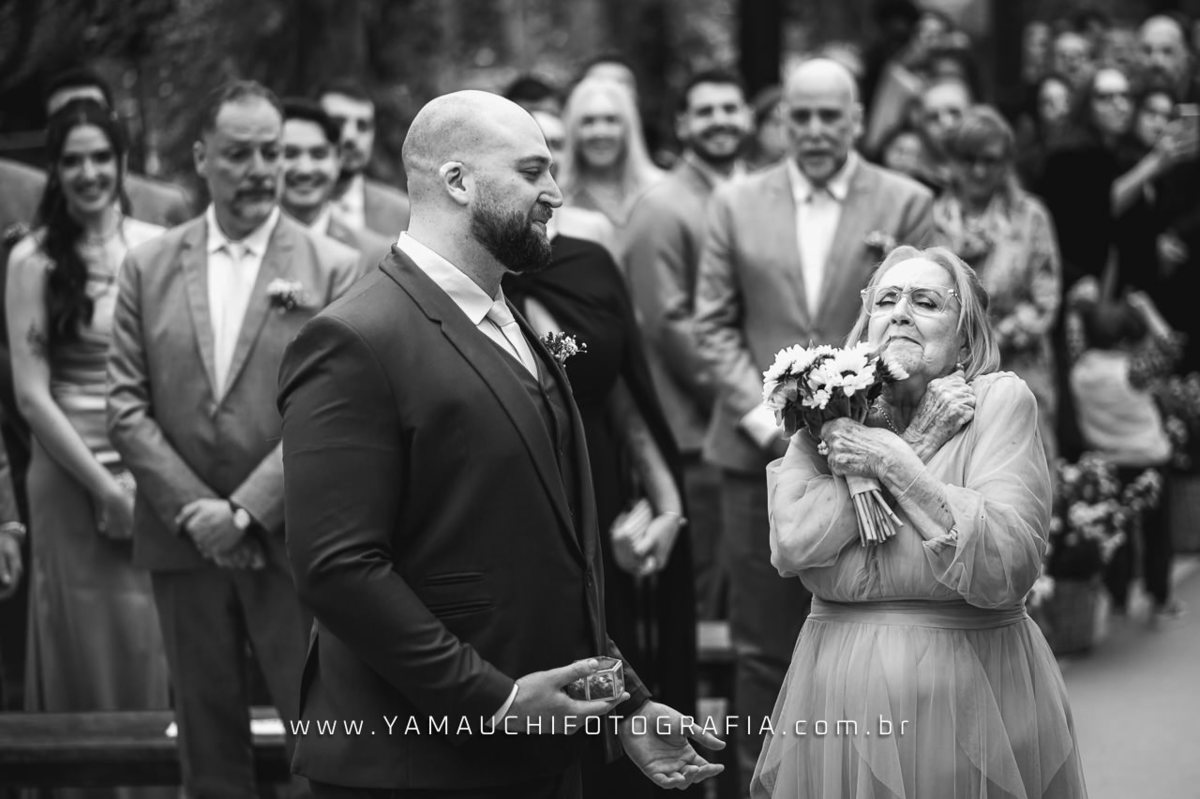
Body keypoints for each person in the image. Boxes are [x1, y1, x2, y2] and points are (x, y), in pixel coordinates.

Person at [278, 89, 723, 799]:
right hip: (417, 767)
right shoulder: (354, 338)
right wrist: (497, 704)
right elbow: (339, 568)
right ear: (458, 182)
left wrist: (624, 702)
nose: (555, 191)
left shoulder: (512, 319)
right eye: (532, 171)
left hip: (540, 761)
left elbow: (544, 557)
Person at [752, 245, 1088, 798]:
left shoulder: (998, 402)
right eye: (886, 299)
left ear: (964, 338)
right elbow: (791, 543)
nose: (901, 312)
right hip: (836, 696)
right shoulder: (828, 410)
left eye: (926, 301)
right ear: (866, 327)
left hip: (971, 703)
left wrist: (887, 461)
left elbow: (1007, 565)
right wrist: (913, 444)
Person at [106, 80, 360, 798]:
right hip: (182, 542)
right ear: (200, 156)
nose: (258, 169)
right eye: (239, 152)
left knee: (319, 739)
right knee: (207, 749)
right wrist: (199, 512)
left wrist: (244, 510)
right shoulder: (148, 264)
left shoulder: (331, 265)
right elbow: (124, 405)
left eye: (270, 152)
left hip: (290, 541)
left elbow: (331, 413)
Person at [693, 57, 934, 784]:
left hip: (877, 464)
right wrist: (778, 426)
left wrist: (862, 432)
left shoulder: (907, 200)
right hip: (756, 461)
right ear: (781, 121)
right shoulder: (734, 203)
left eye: (833, 116)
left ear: (858, 119)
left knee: (876, 640)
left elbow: (920, 334)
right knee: (764, 649)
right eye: (802, 117)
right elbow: (713, 328)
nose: (817, 130)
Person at [4, 99, 171, 798]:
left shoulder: (160, 245)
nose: (88, 172)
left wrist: (145, 478)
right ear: (55, 170)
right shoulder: (32, 257)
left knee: (150, 635)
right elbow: (30, 392)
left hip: (151, 468)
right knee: (77, 636)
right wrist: (104, 489)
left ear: (123, 163)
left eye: (101, 157)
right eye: (72, 159)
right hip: (68, 473)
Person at [504, 202, 696, 799]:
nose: (546, 190)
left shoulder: (589, 266)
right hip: (503, 496)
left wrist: (667, 509)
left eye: (546, 168)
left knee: (606, 648)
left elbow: (628, 396)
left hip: (591, 488)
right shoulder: (464, 276)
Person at [622, 68, 751, 620]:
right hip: (700, 431)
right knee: (707, 596)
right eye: (706, 110)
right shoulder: (662, 208)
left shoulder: (757, 194)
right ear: (682, 124)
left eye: (730, 107)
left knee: (750, 588)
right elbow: (666, 322)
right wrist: (745, 404)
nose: (720, 120)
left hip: (755, 426)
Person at [932, 106, 1062, 465]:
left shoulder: (1029, 216)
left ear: (1005, 162)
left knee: (1020, 467)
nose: (978, 171)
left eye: (989, 161)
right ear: (953, 161)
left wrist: (993, 337)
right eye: (968, 159)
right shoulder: (933, 215)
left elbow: (1045, 297)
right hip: (949, 368)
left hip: (1018, 364)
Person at [1068, 291, 1182, 621]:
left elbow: (1073, 335)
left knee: (1117, 534)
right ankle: (1160, 598)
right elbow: (1170, 347)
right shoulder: (1134, 370)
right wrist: (1148, 310)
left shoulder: (1080, 367)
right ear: (1126, 335)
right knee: (1157, 533)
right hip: (1149, 459)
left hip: (1109, 463)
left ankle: (1118, 598)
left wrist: (1078, 307)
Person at [280, 98, 392, 278]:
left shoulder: (375, 255)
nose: (305, 169)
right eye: (290, 154)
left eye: (318, 155)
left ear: (338, 160)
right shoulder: (245, 240)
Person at [557, 77, 664, 237]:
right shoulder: (558, 199)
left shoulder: (659, 191)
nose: (600, 132)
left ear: (628, 128)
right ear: (573, 131)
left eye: (611, 120)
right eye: (588, 121)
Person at [317, 79, 411, 238]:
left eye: (362, 126)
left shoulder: (404, 214)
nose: (350, 136)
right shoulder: (280, 205)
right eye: (337, 123)